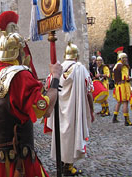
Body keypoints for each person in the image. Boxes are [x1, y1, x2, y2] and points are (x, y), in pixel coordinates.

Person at [0, 11, 63, 177]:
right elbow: (43, 108)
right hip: (17, 160)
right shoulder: (22, 76)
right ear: (19, 52)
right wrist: (55, 79)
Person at [46, 42, 95, 176]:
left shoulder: (56, 69)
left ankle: (62, 163)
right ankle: (68, 166)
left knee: (61, 135)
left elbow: (48, 87)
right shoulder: (80, 69)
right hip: (74, 108)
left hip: (59, 109)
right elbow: (89, 91)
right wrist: (91, 110)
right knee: (72, 135)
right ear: (77, 56)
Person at [112, 47, 132, 126]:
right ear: (122, 58)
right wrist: (130, 78)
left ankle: (115, 117)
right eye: (125, 58)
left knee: (119, 102)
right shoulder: (123, 66)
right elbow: (125, 77)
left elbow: (113, 77)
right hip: (123, 86)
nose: (126, 59)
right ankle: (126, 120)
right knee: (125, 102)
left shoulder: (116, 66)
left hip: (118, 85)